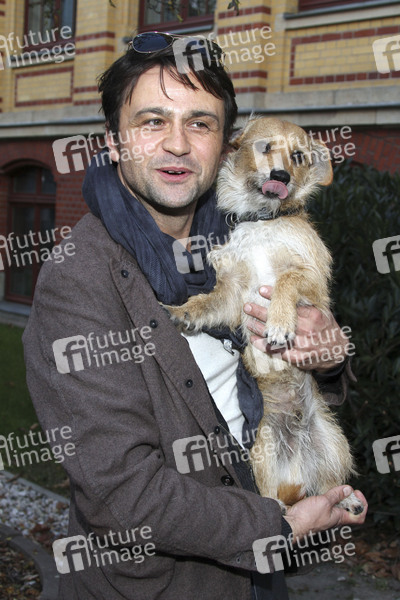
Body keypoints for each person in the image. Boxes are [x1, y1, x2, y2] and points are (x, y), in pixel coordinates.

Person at [23, 32, 367, 600]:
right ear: (114, 142)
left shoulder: (244, 231)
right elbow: (124, 495)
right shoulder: (79, 280)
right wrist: (278, 527)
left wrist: (327, 360)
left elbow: (284, 377)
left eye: (200, 123)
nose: (178, 144)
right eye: (152, 121)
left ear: (227, 147)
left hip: (257, 575)